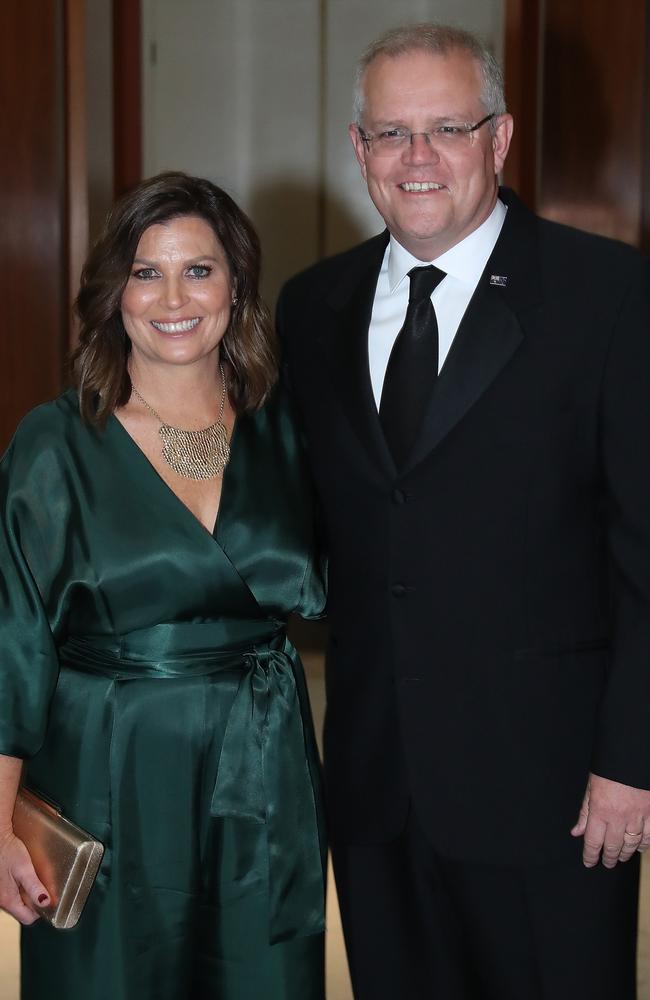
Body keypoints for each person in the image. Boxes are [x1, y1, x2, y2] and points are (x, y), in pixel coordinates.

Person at [277, 22, 650, 1000]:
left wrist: (631, 760)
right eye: (390, 133)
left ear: (499, 139)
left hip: (556, 792)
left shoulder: (606, 295)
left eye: (446, 126)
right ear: (357, 150)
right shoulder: (311, 306)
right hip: (375, 784)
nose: (417, 157)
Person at [0, 172, 326, 1000]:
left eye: (200, 270)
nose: (173, 296)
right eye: (147, 272)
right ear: (115, 293)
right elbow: (11, 644)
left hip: (264, 764)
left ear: (236, 285)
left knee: (262, 974)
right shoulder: (56, 443)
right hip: (108, 772)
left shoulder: (288, 429)